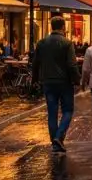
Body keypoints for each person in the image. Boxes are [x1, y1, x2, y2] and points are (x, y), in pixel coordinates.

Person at [32, 16, 79, 153]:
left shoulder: (41, 43)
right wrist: (77, 80)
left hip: (48, 82)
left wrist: (35, 80)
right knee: (68, 110)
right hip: (64, 82)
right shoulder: (67, 43)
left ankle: (55, 143)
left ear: (52, 26)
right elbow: (71, 65)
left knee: (52, 113)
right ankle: (58, 138)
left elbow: (35, 64)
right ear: (63, 27)